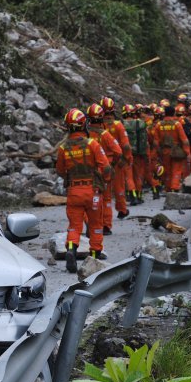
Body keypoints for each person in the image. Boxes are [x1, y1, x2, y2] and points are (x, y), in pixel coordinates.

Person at [56, 108, 112, 272]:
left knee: (74, 225)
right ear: (83, 125)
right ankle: (94, 258)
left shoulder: (63, 148)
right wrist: (104, 181)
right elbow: (106, 167)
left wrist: (69, 179)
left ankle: (71, 249)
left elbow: (60, 170)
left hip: (74, 191)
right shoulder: (92, 144)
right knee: (95, 225)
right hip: (92, 191)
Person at [86, 104, 123, 236]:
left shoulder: (85, 134)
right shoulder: (105, 135)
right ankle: (106, 226)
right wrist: (113, 163)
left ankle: (91, 224)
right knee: (106, 199)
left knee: (89, 199)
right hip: (105, 170)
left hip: (89, 171)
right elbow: (118, 151)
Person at [100, 97, 135, 216]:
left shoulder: (98, 127)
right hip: (116, 161)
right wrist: (127, 158)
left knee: (104, 189)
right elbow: (125, 145)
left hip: (101, 162)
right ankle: (122, 210)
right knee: (119, 186)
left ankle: (104, 213)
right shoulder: (118, 125)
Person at [153, 105, 190, 192]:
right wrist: (187, 152)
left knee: (167, 171)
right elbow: (184, 140)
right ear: (173, 113)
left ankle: (168, 189)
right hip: (176, 150)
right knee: (176, 170)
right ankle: (175, 187)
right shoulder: (177, 124)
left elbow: (155, 142)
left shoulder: (159, 125)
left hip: (165, 151)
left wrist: (157, 153)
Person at [123, 104, 149, 204]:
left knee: (129, 175)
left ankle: (132, 195)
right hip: (139, 153)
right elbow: (146, 139)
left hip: (127, 154)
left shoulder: (121, 124)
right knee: (138, 175)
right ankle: (139, 195)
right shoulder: (141, 123)